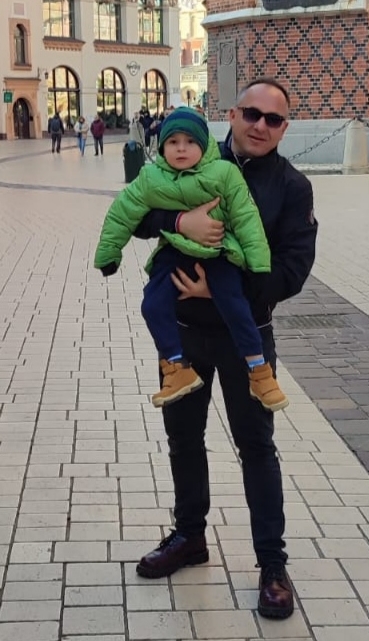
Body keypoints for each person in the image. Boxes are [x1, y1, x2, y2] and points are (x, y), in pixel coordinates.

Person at [130, 78, 318, 620]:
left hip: (246, 336)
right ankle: (189, 536)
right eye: (252, 114)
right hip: (184, 334)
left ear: (284, 127)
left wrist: (222, 290)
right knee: (183, 440)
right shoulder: (189, 156)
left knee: (256, 447)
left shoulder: (292, 186)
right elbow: (136, 212)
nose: (260, 126)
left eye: (273, 119)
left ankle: (272, 564)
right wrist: (178, 221)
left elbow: (293, 269)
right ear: (232, 115)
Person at [94, 107, 288, 412]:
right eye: (173, 142)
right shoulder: (150, 177)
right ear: (162, 147)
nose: (181, 148)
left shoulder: (223, 173)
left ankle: (259, 371)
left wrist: (259, 265)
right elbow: (123, 213)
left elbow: (246, 218)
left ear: (204, 145)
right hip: (174, 253)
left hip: (218, 251)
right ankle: (176, 367)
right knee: (152, 305)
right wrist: (109, 253)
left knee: (235, 305)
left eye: (190, 142)